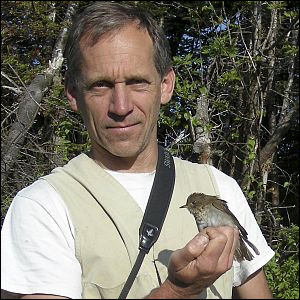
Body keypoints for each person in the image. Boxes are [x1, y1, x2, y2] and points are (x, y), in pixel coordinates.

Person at [1, 2, 274, 299]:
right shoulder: (43, 207)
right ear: (73, 95)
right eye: (101, 85)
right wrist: (176, 292)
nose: (121, 107)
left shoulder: (219, 186)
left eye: (137, 82)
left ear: (166, 85)